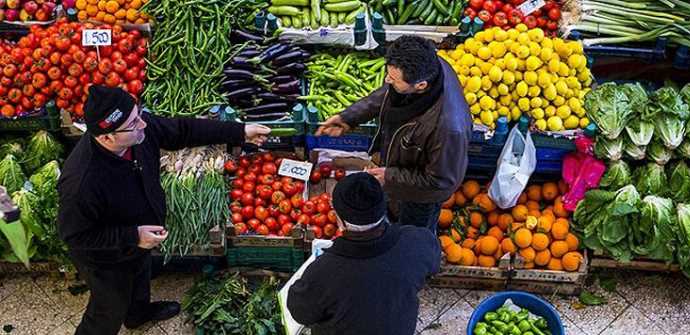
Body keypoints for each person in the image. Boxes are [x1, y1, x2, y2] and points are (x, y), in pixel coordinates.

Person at [57, 85, 270, 335]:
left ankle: (138, 314)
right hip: (105, 258)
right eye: (134, 124)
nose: (143, 125)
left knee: (140, 276)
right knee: (108, 308)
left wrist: (240, 131)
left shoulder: (137, 132)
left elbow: (183, 130)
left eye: (139, 116)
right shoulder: (81, 183)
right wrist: (132, 236)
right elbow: (75, 236)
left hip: (140, 239)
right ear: (107, 138)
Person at [316, 35, 471, 233]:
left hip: (420, 196)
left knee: (412, 233)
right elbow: (388, 93)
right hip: (401, 167)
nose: (387, 80)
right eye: (388, 74)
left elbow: (441, 182)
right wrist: (349, 117)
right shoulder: (429, 65)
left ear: (421, 85)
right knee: (392, 212)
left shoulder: (449, 129)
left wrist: (390, 176)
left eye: (394, 79)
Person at [287, 172, 441, 335]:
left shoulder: (323, 272)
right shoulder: (419, 241)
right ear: (383, 207)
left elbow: (300, 312)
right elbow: (433, 265)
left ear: (339, 218)